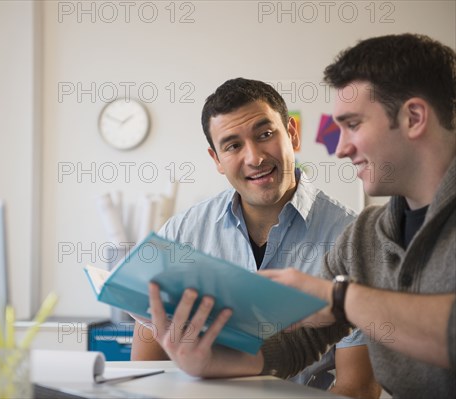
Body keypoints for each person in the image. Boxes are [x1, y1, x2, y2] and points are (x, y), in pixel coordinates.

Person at [147, 34, 456, 398]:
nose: (341, 148)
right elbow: (305, 340)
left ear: (414, 117)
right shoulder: (365, 237)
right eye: (232, 144)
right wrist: (212, 362)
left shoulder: (344, 231)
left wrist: (341, 297)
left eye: (353, 125)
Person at [131, 78, 380, 397]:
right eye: (233, 145)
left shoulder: (353, 238)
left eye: (265, 135)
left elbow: (356, 387)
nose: (255, 157)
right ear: (216, 160)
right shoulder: (182, 235)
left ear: (292, 134)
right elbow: (146, 373)